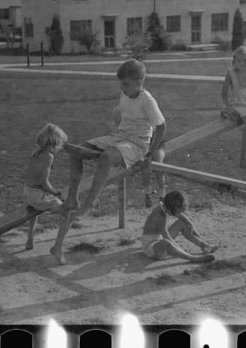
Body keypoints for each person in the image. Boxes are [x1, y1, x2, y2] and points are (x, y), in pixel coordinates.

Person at [50, 59, 167, 264]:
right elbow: (123, 116)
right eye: (121, 84)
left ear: (140, 82)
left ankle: (89, 203)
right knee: (78, 150)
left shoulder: (147, 100)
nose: (122, 88)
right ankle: (74, 198)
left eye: (126, 84)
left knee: (105, 157)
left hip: (137, 145)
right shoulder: (124, 94)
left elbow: (161, 127)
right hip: (119, 137)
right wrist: (118, 118)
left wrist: (150, 153)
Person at [23, 123, 67, 250]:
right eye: (59, 145)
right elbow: (44, 182)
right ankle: (58, 246)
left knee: (34, 212)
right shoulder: (49, 156)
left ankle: (30, 238)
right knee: (67, 211)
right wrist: (54, 192)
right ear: (53, 143)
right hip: (37, 195)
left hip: (27, 193)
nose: (59, 149)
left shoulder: (36, 152)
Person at [142, 190, 217, 263]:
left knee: (182, 223)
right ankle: (193, 258)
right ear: (174, 207)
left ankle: (204, 246)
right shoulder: (160, 215)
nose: (181, 212)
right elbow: (167, 237)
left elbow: (180, 216)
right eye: (180, 210)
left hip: (159, 238)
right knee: (166, 242)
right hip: (150, 246)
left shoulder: (166, 207)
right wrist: (180, 249)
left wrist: (190, 223)